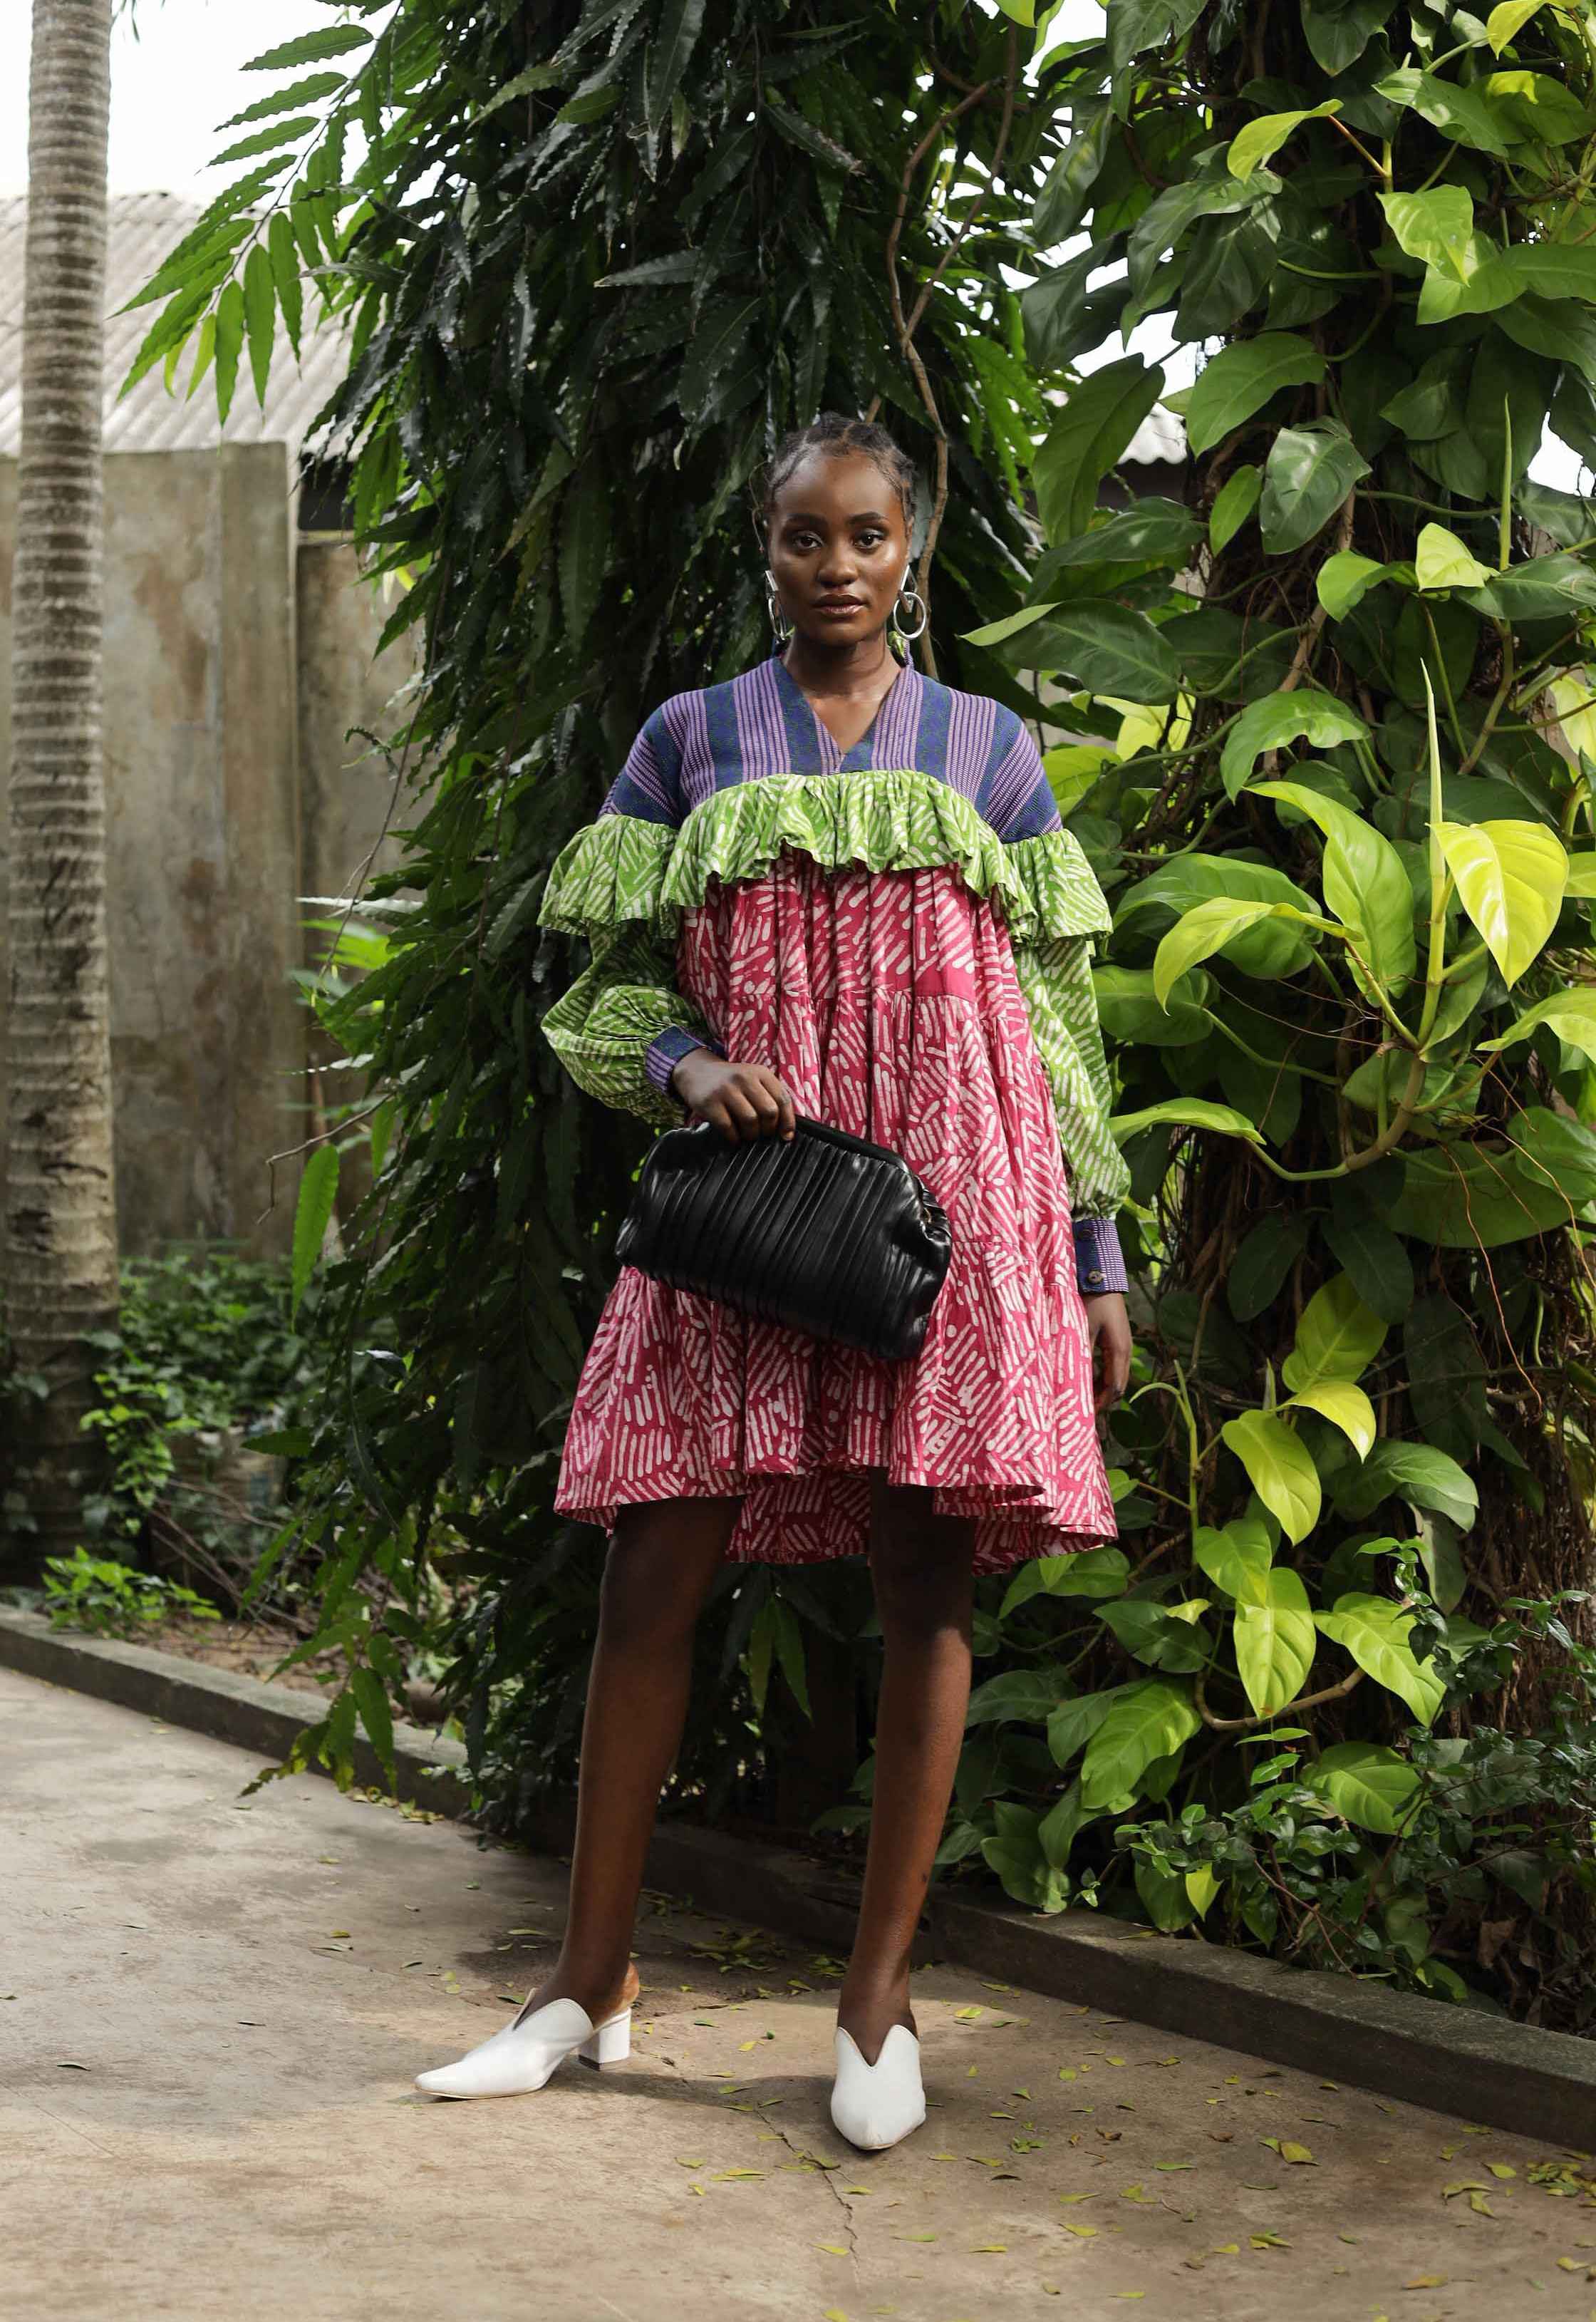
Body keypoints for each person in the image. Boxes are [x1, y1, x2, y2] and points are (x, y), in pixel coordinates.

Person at [415, 413, 1134, 2148]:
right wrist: (682, 1070)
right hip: (746, 1215)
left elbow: (1059, 1032)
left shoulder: (990, 753)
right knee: (653, 1566)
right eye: (805, 536)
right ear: (765, 549)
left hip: (952, 1218)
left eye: (868, 535)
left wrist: (1099, 1256)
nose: (837, 565)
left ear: (915, 549)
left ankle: (875, 2008)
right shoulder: (688, 740)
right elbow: (594, 990)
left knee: (922, 1580)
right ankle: (587, 1985)